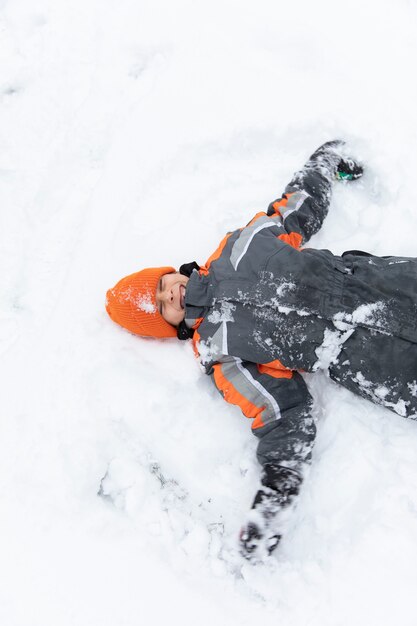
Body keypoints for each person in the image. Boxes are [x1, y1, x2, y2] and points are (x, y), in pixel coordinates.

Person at [105, 141, 417, 560]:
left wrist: (322, 165)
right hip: (374, 362)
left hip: (383, 285)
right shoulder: (222, 354)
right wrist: (278, 489)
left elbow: (294, 209)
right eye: (161, 306)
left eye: (162, 284)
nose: (170, 295)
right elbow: (281, 412)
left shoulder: (239, 247)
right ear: (170, 327)